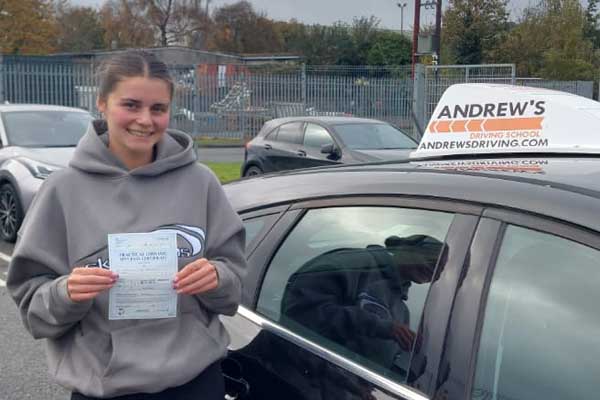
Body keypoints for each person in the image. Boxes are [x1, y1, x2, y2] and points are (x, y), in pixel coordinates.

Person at [7, 50, 246, 400]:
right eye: (131, 105)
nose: (145, 120)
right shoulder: (63, 190)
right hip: (106, 388)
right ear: (102, 103)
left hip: (196, 382)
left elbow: (235, 286)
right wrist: (66, 293)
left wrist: (217, 278)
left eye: (158, 109)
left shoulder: (201, 183)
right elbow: (33, 308)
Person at [281, 234, 443, 380]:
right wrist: (383, 327)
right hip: (287, 380)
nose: (435, 270)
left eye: (441, 268)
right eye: (432, 259)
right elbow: (301, 314)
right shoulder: (354, 263)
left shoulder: (402, 313)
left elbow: (372, 364)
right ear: (408, 247)